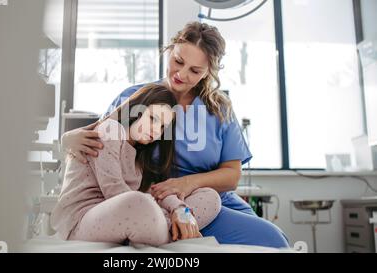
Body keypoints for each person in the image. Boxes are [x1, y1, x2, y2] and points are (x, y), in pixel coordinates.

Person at [62, 22, 289, 248]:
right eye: (178, 61)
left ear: (208, 72)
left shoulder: (219, 110)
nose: (181, 74)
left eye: (195, 70)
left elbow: (232, 175)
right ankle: (169, 228)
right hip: (153, 202)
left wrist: (186, 184)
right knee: (271, 240)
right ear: (170, 49)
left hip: (207, 201)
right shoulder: (137, 97)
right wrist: (67, 139)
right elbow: (102, 137)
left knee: (275, 239)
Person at [51, 84, 221, 246]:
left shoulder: (140, 154)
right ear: (136, 110)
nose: (155, 131)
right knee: (139, 201)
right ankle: (172, 231)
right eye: (152, 118)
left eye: (162, 127)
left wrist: (180, 211)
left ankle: (172, 229)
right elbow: (114, 191)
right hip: (81, 220)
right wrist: (159, 211)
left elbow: (156, 192)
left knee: (211, 196)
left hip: (130, 216)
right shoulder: (111, 130)